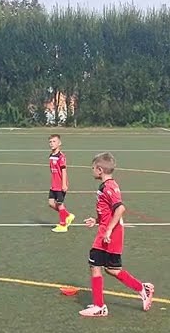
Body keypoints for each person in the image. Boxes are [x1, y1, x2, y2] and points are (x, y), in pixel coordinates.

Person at [79, 152, 154, 317]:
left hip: (110, 234)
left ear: (100, 170)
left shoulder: (109, 187)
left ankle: (99, 306)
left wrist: (108, 230)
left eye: (93, 168)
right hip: (107, 231)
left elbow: (120, 208)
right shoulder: (105, 186)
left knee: (95, 265)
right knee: (112, 269)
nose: (91, 171)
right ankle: (143, 289)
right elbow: (107, 211)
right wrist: (97, 220)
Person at [47, 134, 75, 233]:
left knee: (60, 204)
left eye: (54, 141)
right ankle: (68, 215)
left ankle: (63, 225)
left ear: (59, 143)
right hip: (53, 184)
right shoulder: (51, 156)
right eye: (50, 142)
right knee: (51, 203)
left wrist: (64, 184)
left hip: (60, 184)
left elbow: (64, 171)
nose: (51, 144)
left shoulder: (61, 156)